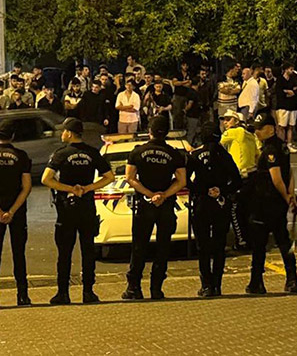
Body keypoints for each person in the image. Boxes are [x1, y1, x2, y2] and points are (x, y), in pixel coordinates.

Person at [41, 118, 114, 304]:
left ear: (70, 133)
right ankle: (88, 292)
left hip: (67, 208)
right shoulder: (92, 153)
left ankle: (63, 293)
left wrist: (69, 189)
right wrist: (89, 188)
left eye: (64, 131)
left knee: (64, 252)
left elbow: (46, 179)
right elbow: (109, 176)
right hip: (87, 206)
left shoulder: (61, 154)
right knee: (88, 250)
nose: (62, 134)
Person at [122, 115, 188, 300]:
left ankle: (133, 288)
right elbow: (181, 180)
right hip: (166, 205)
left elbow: (130, 178)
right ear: (166, 132)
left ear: (149, 131)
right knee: (163, 246)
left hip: (144, 205)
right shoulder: (175, 154)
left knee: (139, 246)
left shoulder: (137, 152)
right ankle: (156, 288)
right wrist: (164, 195)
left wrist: (149, 195)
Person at [0, 123, 32, 307]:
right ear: (13, 136)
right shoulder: (21, 156)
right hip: (16, 209)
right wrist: (13, 210)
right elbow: (27, 187)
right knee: (19, 252)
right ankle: (22, 295)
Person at [245, 114, 297, 295]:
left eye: (260, 128)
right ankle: (292, 279)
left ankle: (256, 282)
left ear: (271, 129)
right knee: (284, 241)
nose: (257, 132)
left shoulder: (271, 150)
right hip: (277, 203)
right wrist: (290, 195)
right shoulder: (282, 147)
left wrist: (286, 196)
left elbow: (276, 178)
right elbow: (289, 173)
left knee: (259, 244)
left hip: (266, 203)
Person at [188, 125, 242, 297]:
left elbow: (185, 180)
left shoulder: (195, 155)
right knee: (219, 246)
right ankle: (217, 284)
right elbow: (236, 180)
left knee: (203, 246)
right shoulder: (224, 156)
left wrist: (200, 190)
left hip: (201, 204)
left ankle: (206, 285)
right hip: (220, 204)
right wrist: (222, 191)